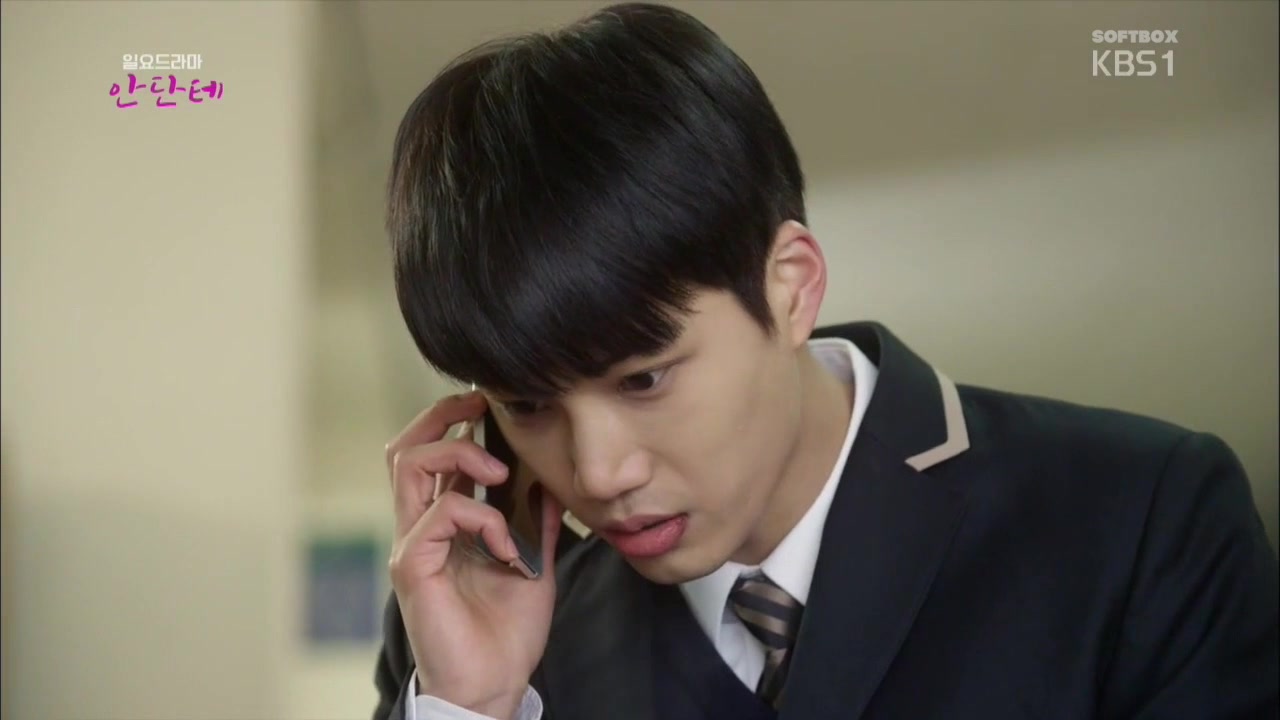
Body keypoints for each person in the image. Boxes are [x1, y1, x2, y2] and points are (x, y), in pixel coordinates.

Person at [372, 4, 1279, 719]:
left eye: (643, 379)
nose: (600, 474)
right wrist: (472, 707)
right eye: (530, 405)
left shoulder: (1139, 519)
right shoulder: (467, 638)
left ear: (791, 288)